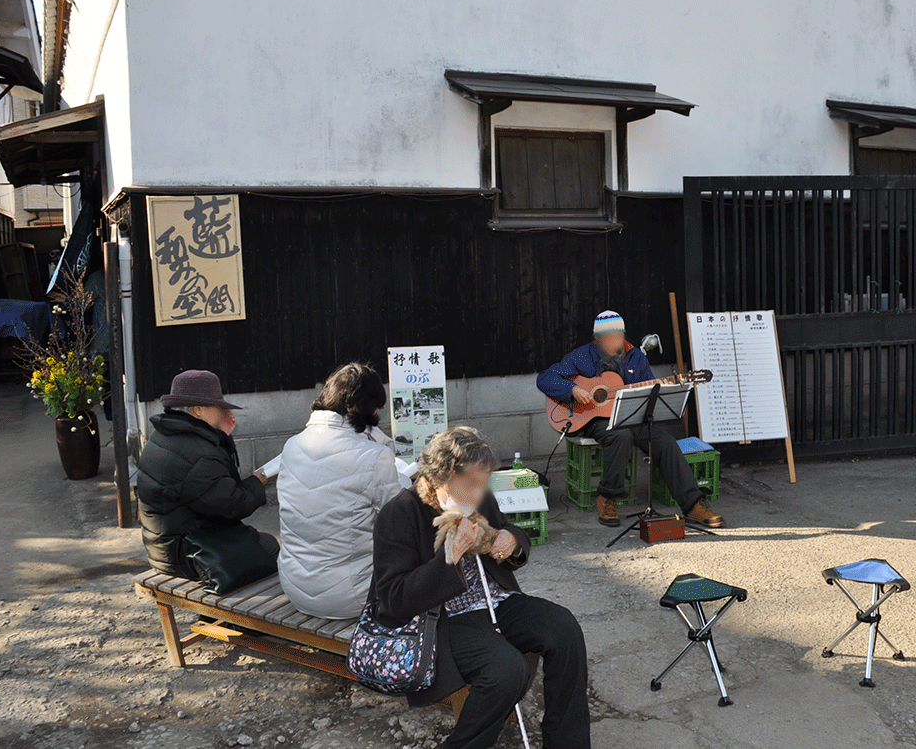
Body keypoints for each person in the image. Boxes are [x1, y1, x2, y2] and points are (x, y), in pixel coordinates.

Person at [371, 427, 591, 749]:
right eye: (471, 484)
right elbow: (393, 600)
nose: (479, 493)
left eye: (483, 483)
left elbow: (507, 531)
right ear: (441, 477)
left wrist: (512, 541)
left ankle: (566, 743)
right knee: (507, 670)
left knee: (564, 628)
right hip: (444, 617)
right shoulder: (400, 513)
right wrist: (449, 558)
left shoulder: (478, 495)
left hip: (496, 600)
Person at [536, 310, 727, 529]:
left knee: (665, 442)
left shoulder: (636, 357)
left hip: (632, 417)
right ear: (597, 339)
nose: (613, 341)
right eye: (607, 338)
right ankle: (607, 498)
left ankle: (693, 504)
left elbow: (651, 391)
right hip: (590, 419)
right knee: (620, 436)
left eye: (617, 336)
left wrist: (664, 388)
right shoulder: (582, 356)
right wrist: (573, 388)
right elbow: (545, 379)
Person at [276, 362, 410, 618]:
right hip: (351, 595)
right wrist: (404, 481)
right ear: (368, 408)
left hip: (294, 587)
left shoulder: (292, 445)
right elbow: (400, 521)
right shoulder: (374, 456)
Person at [136, 370, 276, 578]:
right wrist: (259, 479)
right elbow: (234, 504)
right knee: (270, 547)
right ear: (199, 410)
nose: (222, 411)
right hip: (188, 554)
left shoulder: (162, 434)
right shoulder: (199, 453)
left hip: (164, 546)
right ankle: (229, 611)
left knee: (254, 540)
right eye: (218, 407)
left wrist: (222, 436)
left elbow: (219, 490)